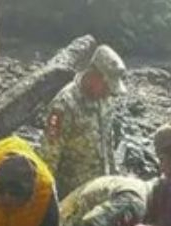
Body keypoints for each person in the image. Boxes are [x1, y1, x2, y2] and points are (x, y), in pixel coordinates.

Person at [40, 45, 128, 198]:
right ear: (95, 75)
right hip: (71, 195)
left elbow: (108, 143)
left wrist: (114, 181)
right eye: (107, 86)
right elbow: (48, 158)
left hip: (99, 190)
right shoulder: (64, 105)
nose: (109, 93)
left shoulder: (104, 100)